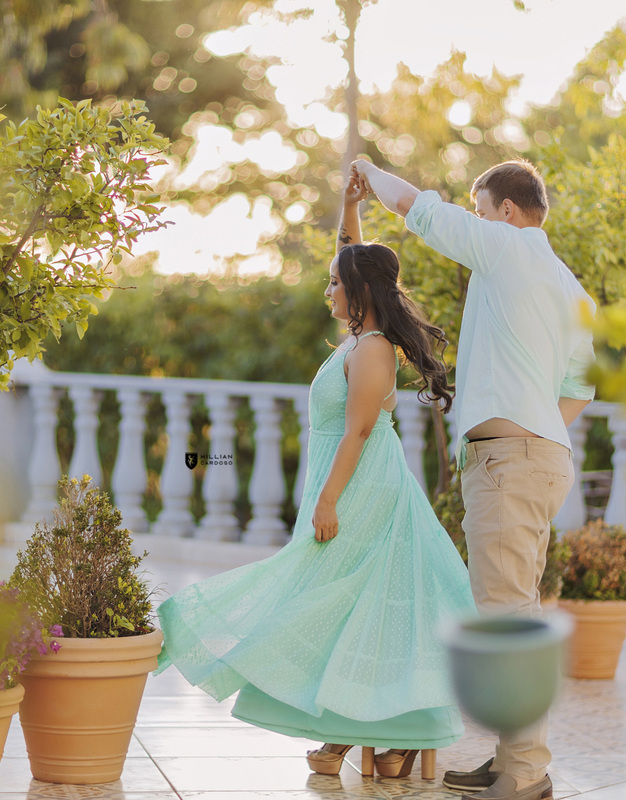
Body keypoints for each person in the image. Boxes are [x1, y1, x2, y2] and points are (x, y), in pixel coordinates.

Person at [153, 172, 475, 779]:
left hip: (359, 488)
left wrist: (328, 501)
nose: (327, 290)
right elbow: (354, 263)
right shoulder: (360, 336)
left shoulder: (375, 348)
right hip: (341, 483)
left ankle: (389, 731)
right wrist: (349, 208)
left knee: (349, 601)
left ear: (358, 295)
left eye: (335, 285)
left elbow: (356, 432)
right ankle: (350, 725)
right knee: (342, 603)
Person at [353, 157, 596, 800]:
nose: (479, 220)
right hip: (540, 457)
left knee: (507, 616)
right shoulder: (573, 289)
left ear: (507, 211)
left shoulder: (506, 247)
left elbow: (420, 210)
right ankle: (513, 757)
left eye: (481, 207)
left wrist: (366, 169)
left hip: (511, 462)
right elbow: (579, 387)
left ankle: (525, 773)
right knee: (517, 606)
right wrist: (539, 429)